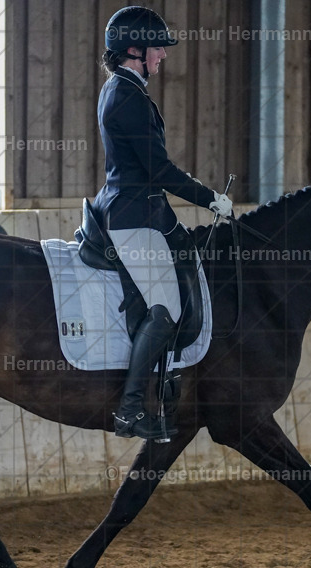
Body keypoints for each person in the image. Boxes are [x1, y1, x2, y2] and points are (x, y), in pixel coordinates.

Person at [93, 6, 233, 440]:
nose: (163, 57)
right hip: (133, 216)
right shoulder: (127, 97)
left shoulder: (123, 89)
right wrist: (211, 199)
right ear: (134, 50)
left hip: (141, 210)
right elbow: (160, 171)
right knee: (167, 308)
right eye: (157, 48)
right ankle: (130, 409)